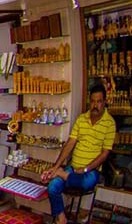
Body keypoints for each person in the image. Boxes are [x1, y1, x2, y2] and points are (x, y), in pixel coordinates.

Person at [41, 84, 115, 224]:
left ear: (104, 102)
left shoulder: (109, 123)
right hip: (73, 167)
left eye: (99, 101)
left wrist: (86, 169)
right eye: (93, 101)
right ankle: (62, 219)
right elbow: (70, 143)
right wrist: (56, 166)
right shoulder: (82, 119)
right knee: (53, 187)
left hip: (90, 171)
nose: (95, 105)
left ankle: (62, 174)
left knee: (85, 182)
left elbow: (105, 154)